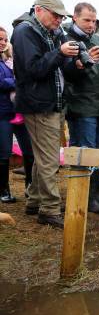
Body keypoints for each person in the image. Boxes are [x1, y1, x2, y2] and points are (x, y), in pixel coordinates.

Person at [11, 0, 80, 228]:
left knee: (43, 157)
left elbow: (57, 69)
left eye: (62, 16)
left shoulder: (51, 31)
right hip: (38, 104)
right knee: (50, 159)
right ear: (39, 10)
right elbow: (33, 70)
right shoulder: (25, 32)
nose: (59, 20)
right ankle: (49, 209)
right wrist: (60, 53)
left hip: (51, 103)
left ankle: (35, 200)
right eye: (56, 15)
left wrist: (74, 62)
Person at [63, 2, 99, 215]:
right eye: (87, 20)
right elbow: (67, 75)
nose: (91, 25)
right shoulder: (66, 39)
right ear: (75, 18)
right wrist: (86, 61)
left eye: (94, 20)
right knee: (86, 153)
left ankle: (94, 193)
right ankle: (85, 198)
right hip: (81, 106)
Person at [0, 27, 34, 204]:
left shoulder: (7, 59)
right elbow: (3, 82)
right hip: (3, 114)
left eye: (5, 39)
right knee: (4, 153)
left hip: (19, 111)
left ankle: (30, 187)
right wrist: (18, 80)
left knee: (29, 150)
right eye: (0, 39)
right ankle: (4, 189)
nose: (3, 42)